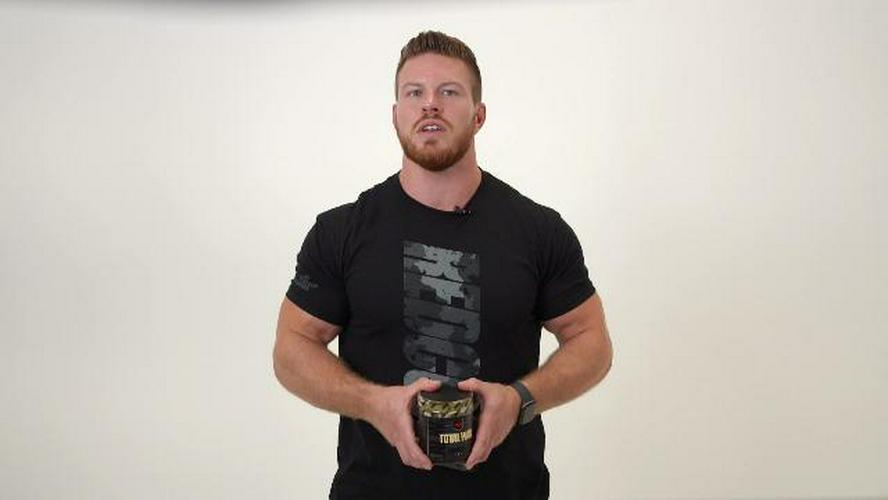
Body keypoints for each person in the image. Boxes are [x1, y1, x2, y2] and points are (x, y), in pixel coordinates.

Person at [273, 30, 613, 500]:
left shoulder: (538, 230)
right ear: (396, 115)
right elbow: (291, 348)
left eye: (449, 92)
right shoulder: (342, 231)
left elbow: (592, 341)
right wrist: (372, 403)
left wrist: (521, 399)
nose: (430, 104)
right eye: (415, 93)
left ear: (479, 115)